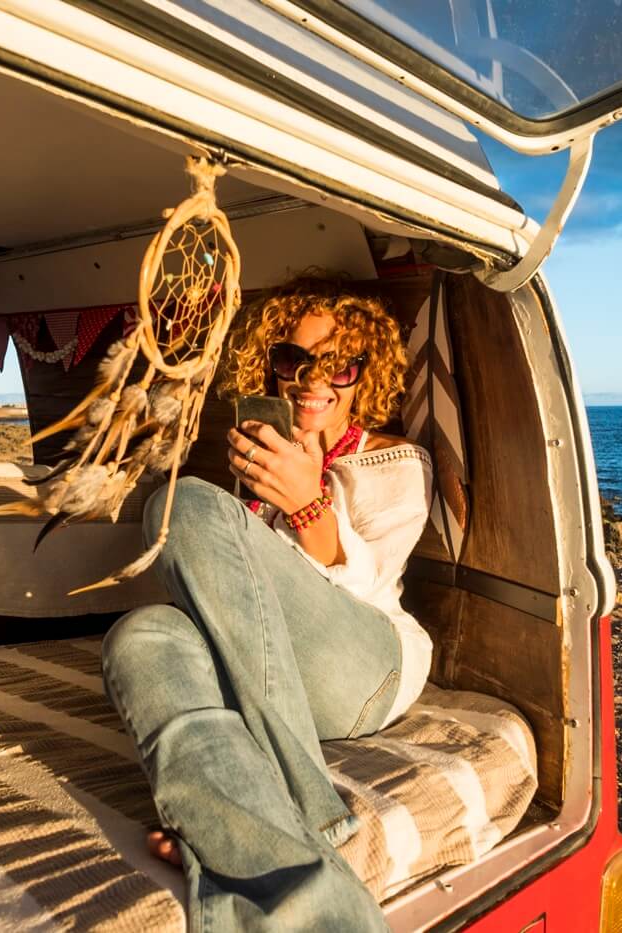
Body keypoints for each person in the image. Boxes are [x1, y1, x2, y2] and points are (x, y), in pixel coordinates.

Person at [101, 275, 434, 931]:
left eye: (338, 364)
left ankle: (303, 806)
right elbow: (245, 612)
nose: (311, 380)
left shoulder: (395, 464)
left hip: (370, 666)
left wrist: (306, 502)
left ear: (367, 374)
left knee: (184, 504)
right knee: (141, 635)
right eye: (294, 360)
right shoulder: (262, 462)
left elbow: (370, 588)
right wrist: (256, 503)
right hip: (273, 673)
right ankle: (238, 831)